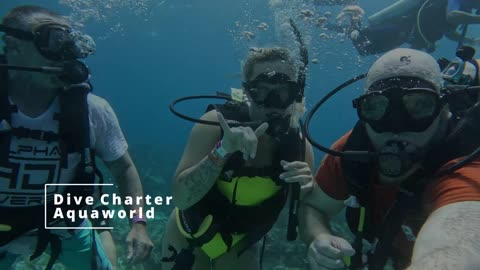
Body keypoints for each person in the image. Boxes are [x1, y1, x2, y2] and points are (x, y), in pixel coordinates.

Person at [0, 5, 153, 269]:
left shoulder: (92, 109)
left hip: (63, 222)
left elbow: (124, 168)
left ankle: (97, 224)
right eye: (54, 40)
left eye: (69, 43)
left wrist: (138, 223)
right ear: (12, 45)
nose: (66, 54)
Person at [299, 48, 480, 270]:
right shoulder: (353, 154)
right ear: (364, 115)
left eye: (420, 106)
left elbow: (459, 246)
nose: (396, 127)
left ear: (444, 109)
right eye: (377, 107)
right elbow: (314, 207)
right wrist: (318, 237)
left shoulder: (467, 165)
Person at [161, 47, 314, 270]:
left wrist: (306, 190)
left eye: (283, 92)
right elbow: (182, 199)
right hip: (187, 233)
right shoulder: (215, 124)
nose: (272, 102)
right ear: (247, 93)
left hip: (241, 245)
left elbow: (303, 212)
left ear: (296, 94)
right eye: (262, 90)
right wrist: (222, 151)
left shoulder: (299, 148)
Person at [335, 0, 479, 56]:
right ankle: (350, 20)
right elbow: (452, 16)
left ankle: (349, 26)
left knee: (366, 50)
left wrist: (469, 40)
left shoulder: (465, 10)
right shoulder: (457, 1)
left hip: (409, 37)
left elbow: (448, 32)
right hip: (402, 28)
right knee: (362, 41)